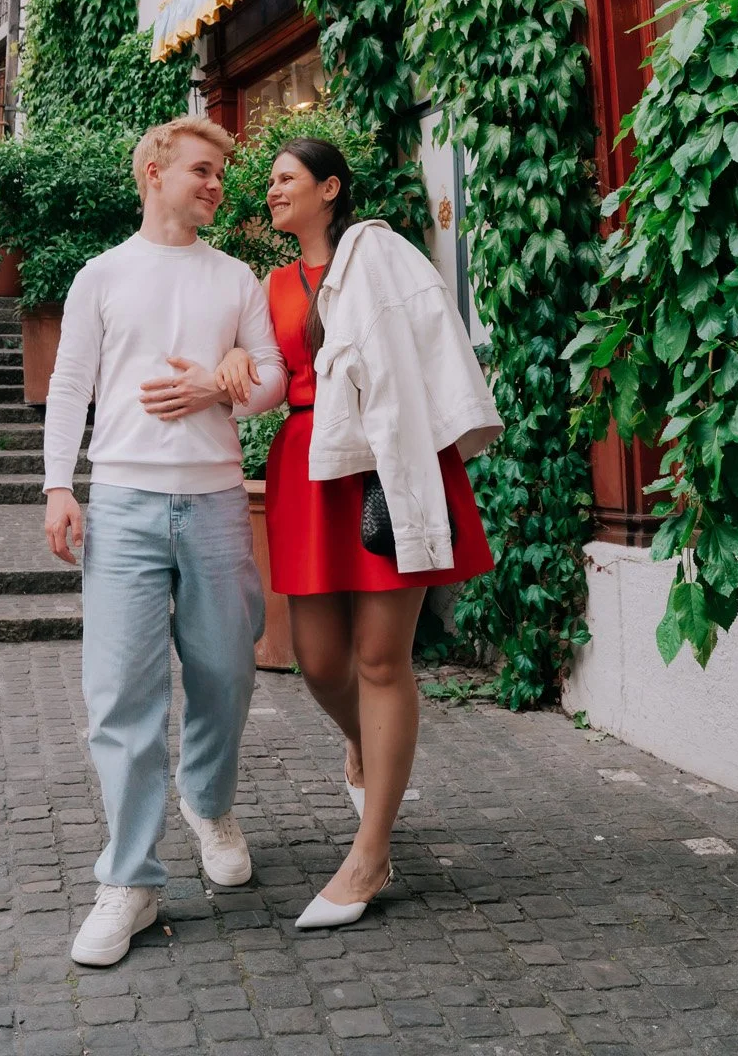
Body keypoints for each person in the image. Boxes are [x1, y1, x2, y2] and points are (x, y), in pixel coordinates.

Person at [218, 136, 502, 931]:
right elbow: (265, 384)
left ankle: (370, 853)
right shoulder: (268, 284)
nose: (270, 190)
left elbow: (430, 340)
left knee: (382, 659)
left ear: (329, 188)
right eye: (270, 180)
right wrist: (235, 366)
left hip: (385, 459)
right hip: (308, 466)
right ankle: (365, 747)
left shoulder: (382, 254)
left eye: (285, 178)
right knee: (317, 661)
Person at [43, 115, 286, 968]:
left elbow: (274, 379)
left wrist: (229, 388)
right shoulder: (101, 275)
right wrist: (56, 486)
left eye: (221, 173)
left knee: (226, 669)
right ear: (153, 170)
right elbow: (70, 382)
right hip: (122, 502)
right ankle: (131, 881)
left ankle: (207, 802)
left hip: (216, 503)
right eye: (201, 169)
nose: (216, 184)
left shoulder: (235, 278)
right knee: (122, 698)